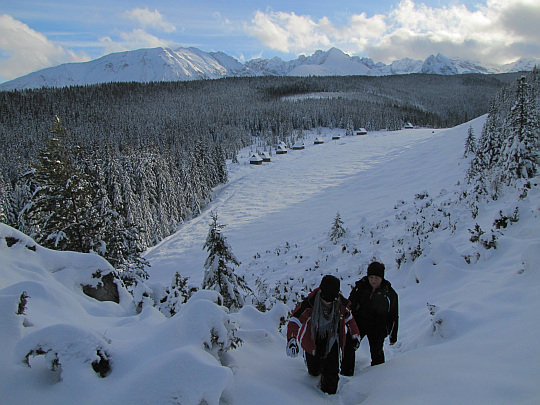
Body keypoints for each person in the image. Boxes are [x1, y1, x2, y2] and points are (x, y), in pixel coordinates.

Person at [286, 275, 361, 395]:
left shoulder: (340, 305)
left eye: (331, 299)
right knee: (314, 371)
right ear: (320, 291)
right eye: (325, 297)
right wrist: (291, 339)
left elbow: (349, 319)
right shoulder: (310, 303)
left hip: (332, 340)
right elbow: (295, 318)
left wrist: (355, 335)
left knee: (331, 377)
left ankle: (328, 397)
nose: (327, 301)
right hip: (313, 341)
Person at [341, 261, 399, 376]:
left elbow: (393, 315)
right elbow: (350, 303)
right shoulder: (361, 287)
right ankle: (346, 373)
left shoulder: (389, 293)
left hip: (378, 326)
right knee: (349, 347)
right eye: (371, 277)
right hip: (360, 322)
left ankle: (376, 378)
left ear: (382, 278)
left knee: (377, 352)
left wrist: (393, 336)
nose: (373, 280)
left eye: (376, 278)